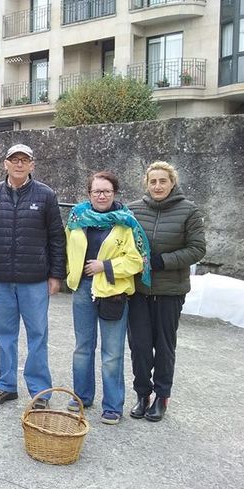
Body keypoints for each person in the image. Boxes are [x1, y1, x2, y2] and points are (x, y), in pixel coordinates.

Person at [0, 144, 65, 409]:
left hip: (35, 279)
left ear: (32, 165)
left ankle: (40, 392)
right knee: (4, 334)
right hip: (1, 277)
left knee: (37, 335)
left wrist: (56, 275)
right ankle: (5, 385)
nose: (18, 164)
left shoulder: (46, 195)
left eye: (24, 160)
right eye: (14, 159)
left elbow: (56, 238)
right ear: (5, 163)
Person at [66, 171, 149, 425]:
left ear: (114, 193)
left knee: (112, 352)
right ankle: (82, 396)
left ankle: (112, 405)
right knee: (82, 348)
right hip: (83, 289)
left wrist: (106, 266)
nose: (101, 195)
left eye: (106, 191)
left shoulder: (126, 223)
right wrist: (72, 273)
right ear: (89, 194)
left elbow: (137, 260)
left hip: (112, 291)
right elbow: (68, 246)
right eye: (96, 191)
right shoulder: (77, 218)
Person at [127, 161, 206, 422]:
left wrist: (163, 261)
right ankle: (142, 394)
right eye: (153, 181)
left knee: (164, 346)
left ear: (172, 183)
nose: (158, 186)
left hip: (170, 291)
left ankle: (162, 397)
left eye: (163, 181)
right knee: (139, 346)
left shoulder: (188, 211)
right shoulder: (133, 210)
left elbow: (197, 249)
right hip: (138, 290)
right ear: (146, 184)